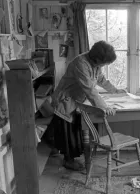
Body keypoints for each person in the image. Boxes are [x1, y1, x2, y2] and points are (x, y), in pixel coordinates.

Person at [49, 40, 126, 171]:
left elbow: (101, 79)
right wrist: (104, 108)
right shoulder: (80, 63)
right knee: (68, 133)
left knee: (72, 130)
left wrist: (115, 90)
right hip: (66, 99)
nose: (103, 66)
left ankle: (62, 152)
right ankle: (68, 161)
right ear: (96, 59)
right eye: (104, 63)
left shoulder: (95, 64)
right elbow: (90, 89)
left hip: (76, 99)